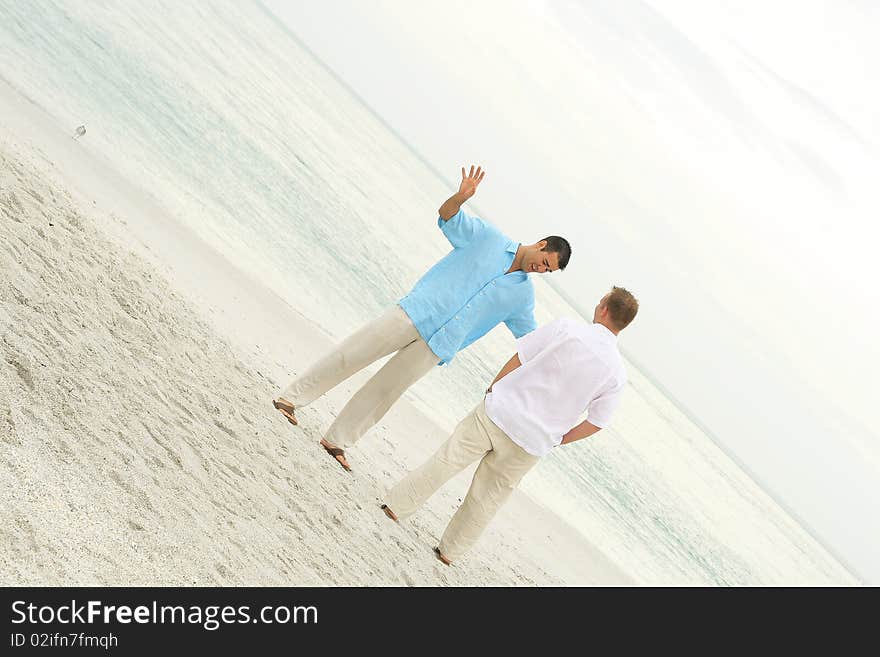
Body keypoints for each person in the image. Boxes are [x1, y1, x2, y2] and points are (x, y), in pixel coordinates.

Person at [273, 165, 571, 471]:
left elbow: (531, 339)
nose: (542, 270)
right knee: (352, 354)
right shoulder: (489, 237)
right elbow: (447, 217)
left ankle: (338, 440)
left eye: (548, 271)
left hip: (439, 345)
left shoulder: (523, 297)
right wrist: (460, 197)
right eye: (545, 263)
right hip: (417, 312)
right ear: (542, 245)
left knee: (385, 391)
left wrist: (563, 357)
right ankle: (291, 399)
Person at [381, 287, 638, 565]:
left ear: (604, 309)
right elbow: (597, 422)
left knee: (447, 460)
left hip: (501, 411)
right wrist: (558, 438)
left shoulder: (567, 328)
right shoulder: (616, 372)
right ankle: (449, 552)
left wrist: (494, 387)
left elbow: (522, 355)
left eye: (600, 301)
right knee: (487, 497)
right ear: (624, 325)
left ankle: (397, 507)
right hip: (532, 441)